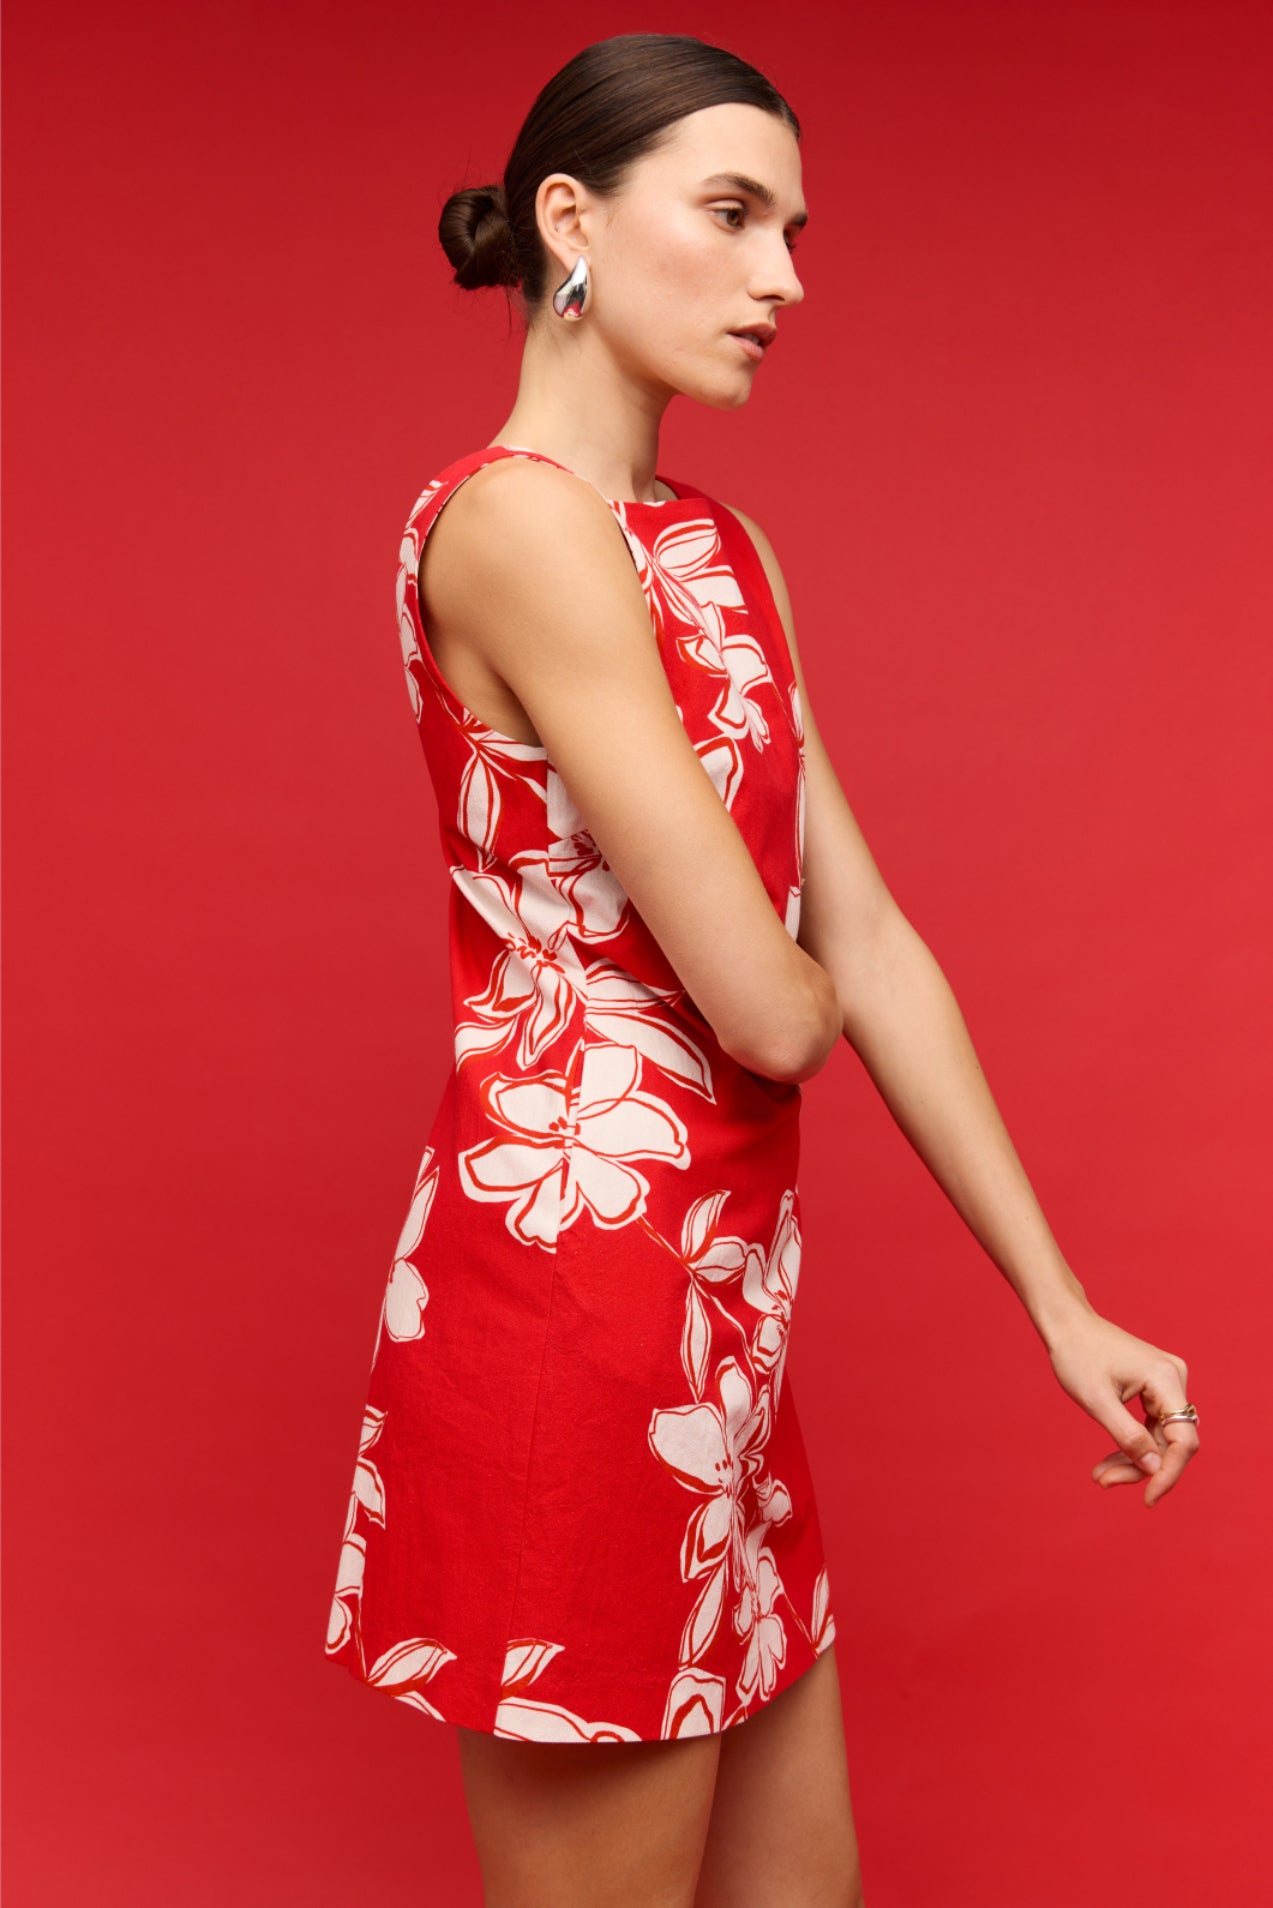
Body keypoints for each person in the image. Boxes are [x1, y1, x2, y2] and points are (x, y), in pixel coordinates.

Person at [326, 31, 1200, 1907]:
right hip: (572, 1319)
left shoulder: (720, 549)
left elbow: (861, 938)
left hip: (716, 1318)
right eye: (730, 215)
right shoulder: (514, 524)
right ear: (570, 222)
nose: (782, 276)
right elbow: (774, 1008)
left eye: (793, 230)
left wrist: (1059, 1307)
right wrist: (790, 985)